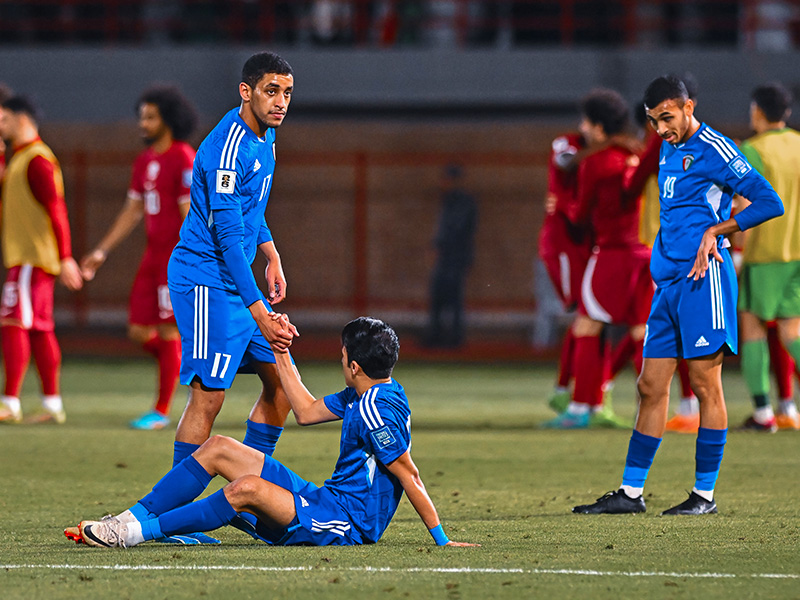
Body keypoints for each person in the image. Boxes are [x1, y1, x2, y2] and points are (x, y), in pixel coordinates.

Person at [65, 316, 479, 550]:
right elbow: (306, 410)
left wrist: (442, 540)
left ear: (353, 365)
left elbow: (409, 474)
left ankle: (131, 535)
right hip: (327, 500)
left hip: (345, 524)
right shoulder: (370, 390)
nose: (340, 360)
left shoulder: (374, 410)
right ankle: (131, 516)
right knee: (219, 448)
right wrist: (279, 349)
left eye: (341, 355)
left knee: (245, 490)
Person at [573, 75, 783, 516]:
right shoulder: (667, 146)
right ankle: (631, 494)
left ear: (690, 107)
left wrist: (716, 231)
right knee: (650, 387)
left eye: (667, 118)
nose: (660, 129)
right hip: (668, 286)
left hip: (705, 282)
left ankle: (703, 496)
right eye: (652, 122)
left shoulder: (718, 148)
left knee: (706, 385)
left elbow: (769, 202)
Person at [80, 85, 198, 430]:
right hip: (152, 257)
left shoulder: (183, 157)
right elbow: (132, 210)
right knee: (136, 330)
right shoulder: (145, 161)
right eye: (141, 117)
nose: (142, 124)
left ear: (168, 120)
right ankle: (177, 365)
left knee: (167, 330)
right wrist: (101, 250)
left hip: (175, 258)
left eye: (150, 117)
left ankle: (161, 411)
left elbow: (188, 210)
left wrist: (194, 257)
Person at [543, 88, 650, 429]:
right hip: (645, 254)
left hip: (611, 253)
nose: (583, 128)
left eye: (587, 123)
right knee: (641, 331)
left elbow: (580, 215)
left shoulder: (596, 162)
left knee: (587, 324)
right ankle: (648, 407)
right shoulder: (637, 154)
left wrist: (561, 205)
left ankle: (579, 408)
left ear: (600, 127)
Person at [0, 95, 83, 424]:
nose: (1, 126)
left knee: (13, 322)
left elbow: (56, 209)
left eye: (4, 120)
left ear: (22, 120)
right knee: (39, 330)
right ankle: (51, 404)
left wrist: (65, 257)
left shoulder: (37, 159)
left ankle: (10, 401)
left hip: (31, 259)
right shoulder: (21, 158)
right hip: (31, 259)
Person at [737, 82, 800, 432]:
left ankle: (763, 414)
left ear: (757, 112)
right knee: (792, 331)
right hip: (798, 252)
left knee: (752, 327)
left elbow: (747, 202)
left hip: (766, 252)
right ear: (786, 113)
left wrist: (738, 250)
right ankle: (781, 409)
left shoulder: (752, 148)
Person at [538, 130, 591, 412]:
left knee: (594, 317)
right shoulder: (573, 141)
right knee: (586, 315)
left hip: (584, 244)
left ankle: (589, 394)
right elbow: (565, 160)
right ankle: (570, 393)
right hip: (565, 245)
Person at [425, 164, 478, 348]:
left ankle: (453, 338)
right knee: (439, 296)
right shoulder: (449, 201)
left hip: (455, 257)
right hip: (449, 256)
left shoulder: (463, 202)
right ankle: (437, 335)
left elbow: (455, 230)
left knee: (453, 298)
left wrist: (441, 245)